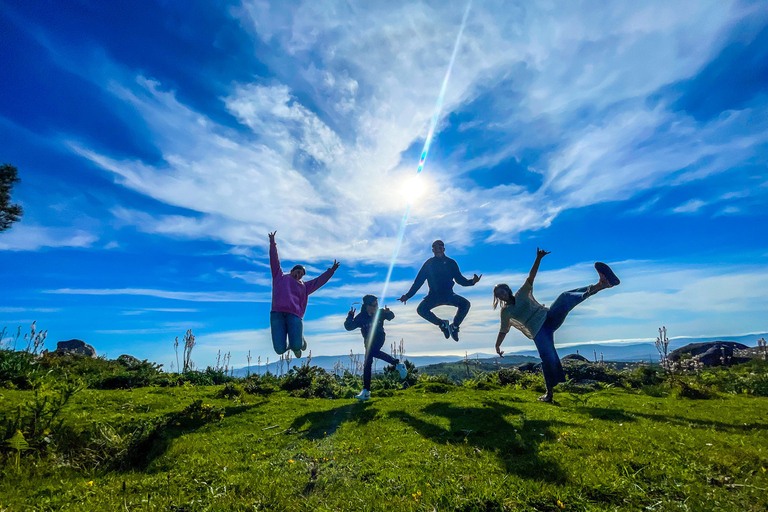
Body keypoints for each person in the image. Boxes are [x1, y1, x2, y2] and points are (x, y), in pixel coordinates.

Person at [493, 248, 620, 403]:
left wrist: (538, 258)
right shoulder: (506, 312)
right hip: (539, 332)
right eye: (498, 294)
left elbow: (531, 276)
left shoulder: (522, 293)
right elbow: (503, 330)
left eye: (502, 291)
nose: (501, 295)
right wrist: (497, 346)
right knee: (548, 358)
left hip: (549, 317)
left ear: (508, 290)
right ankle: (549, 394)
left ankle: (602, 284)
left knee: (565, 297)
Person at [269, 231, 339, 358]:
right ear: (292, 271)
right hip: (277, 314)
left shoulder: (305, 287)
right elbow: (274, 260)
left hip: (294, 315)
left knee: (296, 346)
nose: (299, 275)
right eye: (297, 272)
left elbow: (319, 281)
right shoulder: (279, 277)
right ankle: (296, 339)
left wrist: (331, 271)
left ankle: (298, 341)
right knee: (279, 350)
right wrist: (272, 242)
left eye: (301, 274)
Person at [398, 240, 481, 341]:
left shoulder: (451, 263)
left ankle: (454, 327)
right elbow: (418, 282)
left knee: (465, 304)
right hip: (433, 296)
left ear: (444, 249)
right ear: (432, 250)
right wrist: (407, 296)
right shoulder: (429, 264)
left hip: (449, 295)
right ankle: (442, 324)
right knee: (421, 310)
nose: (438, 249)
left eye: (440, 247)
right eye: (436, 247)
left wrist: (472, 282)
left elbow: (460, 280)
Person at [344, 294, 408, 401]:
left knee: (372, 353)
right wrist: (350, 316)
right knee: (367, 363)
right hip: (368, 342)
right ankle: (366, 391)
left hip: (379, 338)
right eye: (374, 305)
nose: (376, 307)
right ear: (367, 306)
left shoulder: (380, 313)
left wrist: (388, 312)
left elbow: (391, 317)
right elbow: (349, 327)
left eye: (377, 305)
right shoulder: (361, 317)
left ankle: (397, 364)